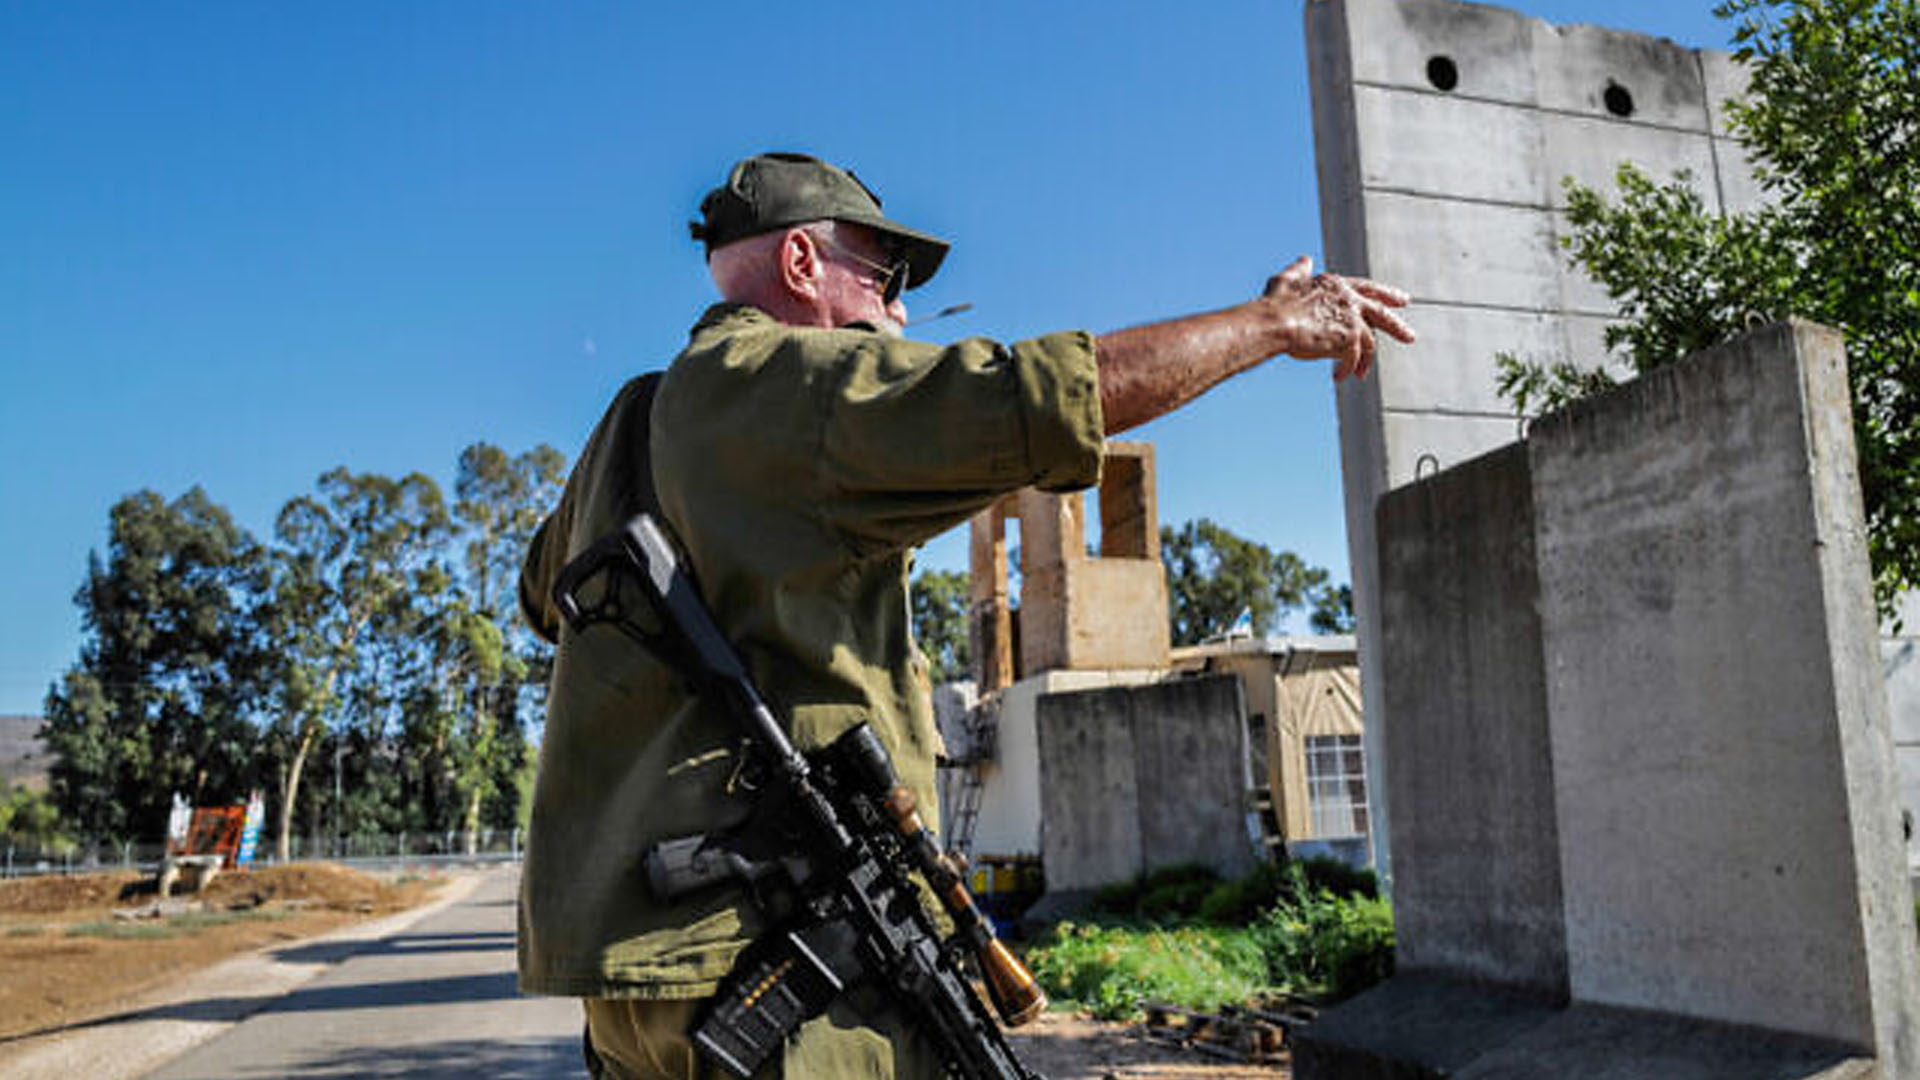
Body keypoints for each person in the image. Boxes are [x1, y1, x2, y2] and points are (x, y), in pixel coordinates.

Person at [517, 151, 1415, 1080]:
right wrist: (1270, 324)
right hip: (775, 966)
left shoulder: (630, 421)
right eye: (883, 275)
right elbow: (1047, 399)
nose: (898, 310)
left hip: (633, 977)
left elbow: (543, 596)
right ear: (799, 265)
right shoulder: (793, 381)